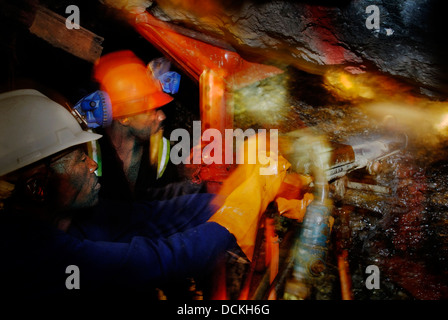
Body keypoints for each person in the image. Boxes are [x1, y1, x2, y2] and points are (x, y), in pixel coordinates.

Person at [0, 89, 289, 297]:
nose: (92, 164)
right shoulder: (30, 256)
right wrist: (249, 199)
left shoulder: (73, 216)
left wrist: (242, 191)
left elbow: (154, 214)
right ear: (37, 187)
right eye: (79, 158)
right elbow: (160, 260)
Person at [91, 50, 200, 202]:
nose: (162, 116)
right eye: (151, 111)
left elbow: (165, 205)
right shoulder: (90, 156)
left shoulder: (159, 150)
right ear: (124, 117)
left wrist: (191, 178)